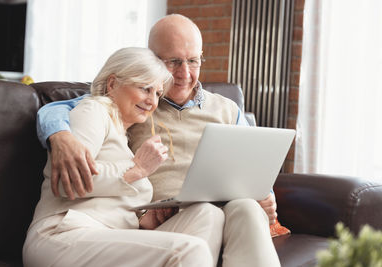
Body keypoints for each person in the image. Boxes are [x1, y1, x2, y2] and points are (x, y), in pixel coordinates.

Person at [36, 15, 281, 266]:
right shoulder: (131, 103)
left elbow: (254, 163)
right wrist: (59, 135)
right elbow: (63, 108)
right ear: (152, 60)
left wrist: (265, 194)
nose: (184, 73)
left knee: (247, 207)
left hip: (221, 210)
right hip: (169, 221)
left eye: (193, 60)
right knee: (205, 217)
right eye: (173, 61)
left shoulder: (226, 108)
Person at [23, 47, 225, 267]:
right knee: (189, 249)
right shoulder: (92, 111)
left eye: (157, 93)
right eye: (145, 88)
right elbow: (66, 184)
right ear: (112, 84)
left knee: (208, 215)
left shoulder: (124, 134)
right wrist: (136, 169)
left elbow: (111, 200)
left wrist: (145, 216)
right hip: (62, 234)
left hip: (109, 236)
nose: (152, 101)